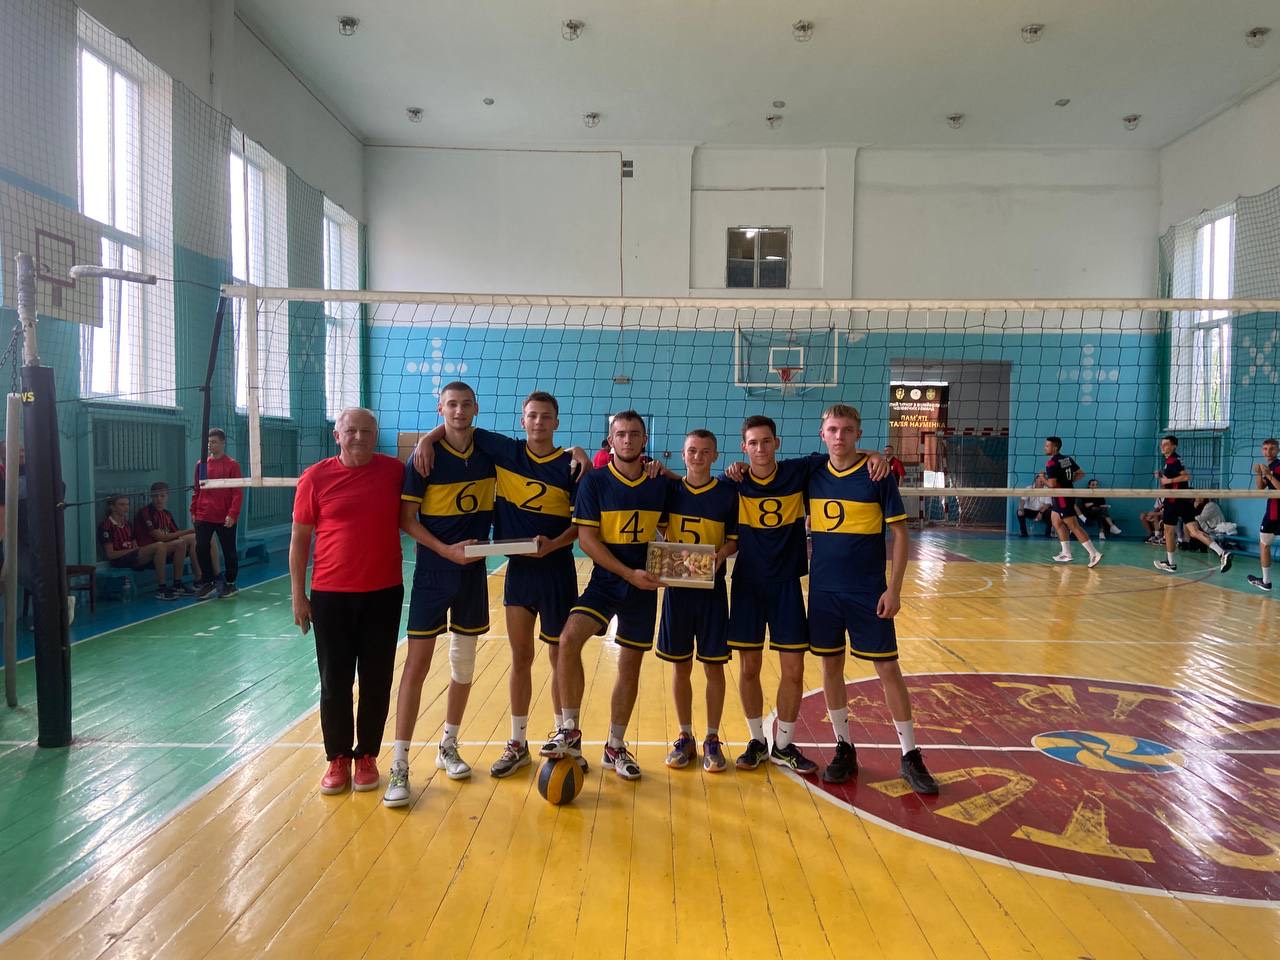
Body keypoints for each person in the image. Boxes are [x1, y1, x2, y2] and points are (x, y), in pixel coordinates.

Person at [411, 391, 587, 779]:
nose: (538, 422)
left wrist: (554, 544)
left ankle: (568, 739)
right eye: (532, 416)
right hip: (519, 572)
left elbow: (580, 526)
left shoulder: (570, 467)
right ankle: (518, 743)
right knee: (521, 657)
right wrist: (425, 438)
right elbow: (460, 426)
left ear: (556, 423)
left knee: (560, 657)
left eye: (545, 417)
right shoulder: (505, 451)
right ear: (522, 421)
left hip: (557, 570)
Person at [721, 417, 886, 775]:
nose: (760, 449)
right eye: (753, 443)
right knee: (748, 668)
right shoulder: (733, 481)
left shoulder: (799, 471)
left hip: (786, 585)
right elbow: (692, 485)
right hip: (748, 585)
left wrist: (875, 455)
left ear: (777, 443)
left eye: (766, 441)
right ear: (744, 447)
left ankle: (783, 745)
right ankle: (757, 741)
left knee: (793, 670)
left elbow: (842, 452)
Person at [808, 405, 938, 794]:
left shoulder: (876, 475)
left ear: (858, 434)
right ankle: (844, 746)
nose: (839, 436)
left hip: (867, 591)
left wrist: (894, 589)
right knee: (831, 666)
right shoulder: (811, 472)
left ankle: (910, 754)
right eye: (833, 429)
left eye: (847, 430)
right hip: (824, 591)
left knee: (887, 668)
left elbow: (900, 535)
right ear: (822, 433)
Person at [385, 382, 495, 807]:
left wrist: (577, 453)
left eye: (466, 404)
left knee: (463, 663)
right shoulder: (423, 459)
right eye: (452, 404)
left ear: (476, 408)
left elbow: (536, 451)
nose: (459, 411)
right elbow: (406, 519)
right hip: (433, 572)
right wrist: (446, 550)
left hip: (473, 572)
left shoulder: (489, 451)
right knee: (417, 664)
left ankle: (448, 745)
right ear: (441, 408)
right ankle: (399, 763)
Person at [541, 410, 666, 780]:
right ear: (610, 441)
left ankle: (615, 746)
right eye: (620, 434)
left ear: (645, 440)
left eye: (634, 434)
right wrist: (628, 573)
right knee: (568, 639)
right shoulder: (595, 482)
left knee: (630, 665)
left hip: (644, 588)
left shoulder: (659, 483)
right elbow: (587, 540)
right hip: (607, 581)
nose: (627, 440)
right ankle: (569, 730)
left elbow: (676, 526)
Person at [290, 408, 406, 796]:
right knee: (334, 680)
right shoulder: (315, 477)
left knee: (377, 679)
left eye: (366, 431)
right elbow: (299, 539)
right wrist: (298, 595)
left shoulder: (395, 472)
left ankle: (366, 755)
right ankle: (337, 757)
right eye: (351, 430)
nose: (358, 437)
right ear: (337, 436)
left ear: (376, 435)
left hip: (383, 593)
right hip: (331, 595)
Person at [657, 429, 738, 773]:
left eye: (705, 452)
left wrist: (720, 555)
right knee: (680, 666)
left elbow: (734, 540)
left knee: (713, 666)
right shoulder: (669, 491)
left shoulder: (727, 493)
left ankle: (712, 738)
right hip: (678, 590)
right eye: (692, 451)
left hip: (711, 591)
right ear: (683, 454)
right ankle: (685, 735)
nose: (698, 457)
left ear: (715, 456)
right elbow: (658, 528)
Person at [1153, 435, 1231, 574]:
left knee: (1168, 531)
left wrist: (1168, 481)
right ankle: (1222, 553)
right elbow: (1177, 477)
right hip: (1183, 500)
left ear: (1174, 446)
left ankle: (1171, 563)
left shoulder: (1173, 460)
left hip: (1174, 500)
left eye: (1166, 444)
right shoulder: (1172, 461)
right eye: (1161, 444)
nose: (1162, 446)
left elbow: (1186, 476)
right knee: (1194, 532)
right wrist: (1162, 476)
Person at [98, 493, 187, 600]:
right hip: (121, 560)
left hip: (134, 556)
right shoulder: (106, 526)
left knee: (179, 543)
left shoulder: (128, 524)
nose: (126, 508)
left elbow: (134, 544)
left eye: (127, 504)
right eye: (121, 505)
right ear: (112, 507)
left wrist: (136, 549)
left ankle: (177, 584)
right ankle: (162, 588)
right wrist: (133, 550)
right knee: (159, 546)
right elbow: (111, 555)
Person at [191, 428, 243, 599]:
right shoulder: (201, 465)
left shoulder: (232, 465)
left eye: (213, 442)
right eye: (208, 442)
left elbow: (237, 492)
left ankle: (230, 583)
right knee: (201, 548)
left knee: (229, 550)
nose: (210, 445)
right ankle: (208, 582)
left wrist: (232, 514)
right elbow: (197, 489)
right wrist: (194, 510)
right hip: (204, 514)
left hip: (225, 516)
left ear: (222, 443)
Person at [1043, 437, 1102, 567]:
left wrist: (1042, 479)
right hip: (1065, 495)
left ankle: (1094, 553)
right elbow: (1080, 473)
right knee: (1056, 521)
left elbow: (1052, 484)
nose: (1044, 448)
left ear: (1055, 448)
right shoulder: (1067, 459)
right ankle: (1066, 553)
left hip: (1061, 497)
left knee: (1074, 526)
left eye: (1047, 446)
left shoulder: (1051, 463)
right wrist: (1068, 482)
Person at [134, 481, 201, 591]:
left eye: (162, 496)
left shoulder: (166, 514)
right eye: (155, 496)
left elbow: (176, 534)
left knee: (195, 538)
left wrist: (192, 532)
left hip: (167, 547)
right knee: (180, 542)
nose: (159, 499)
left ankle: (199, 578)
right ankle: (171, 584)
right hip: (150, 550)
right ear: (151, 496)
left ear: (167, 496)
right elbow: (160, 538)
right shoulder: (145, 512)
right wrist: (188, 531)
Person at [1247, 437, 1280, 591]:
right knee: (1264, 543)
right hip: (1273, 511)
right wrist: (1259, 474)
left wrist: (1270, 475)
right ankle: (1265, 581)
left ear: (1278, 450)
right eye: (1265, 449)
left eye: (1272, 448)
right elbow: (1260, 487)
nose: (1268, 452)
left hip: (1275, 512)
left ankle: (1266, 581)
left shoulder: (1278, 466)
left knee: (1264, 544)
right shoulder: (1270, 466)